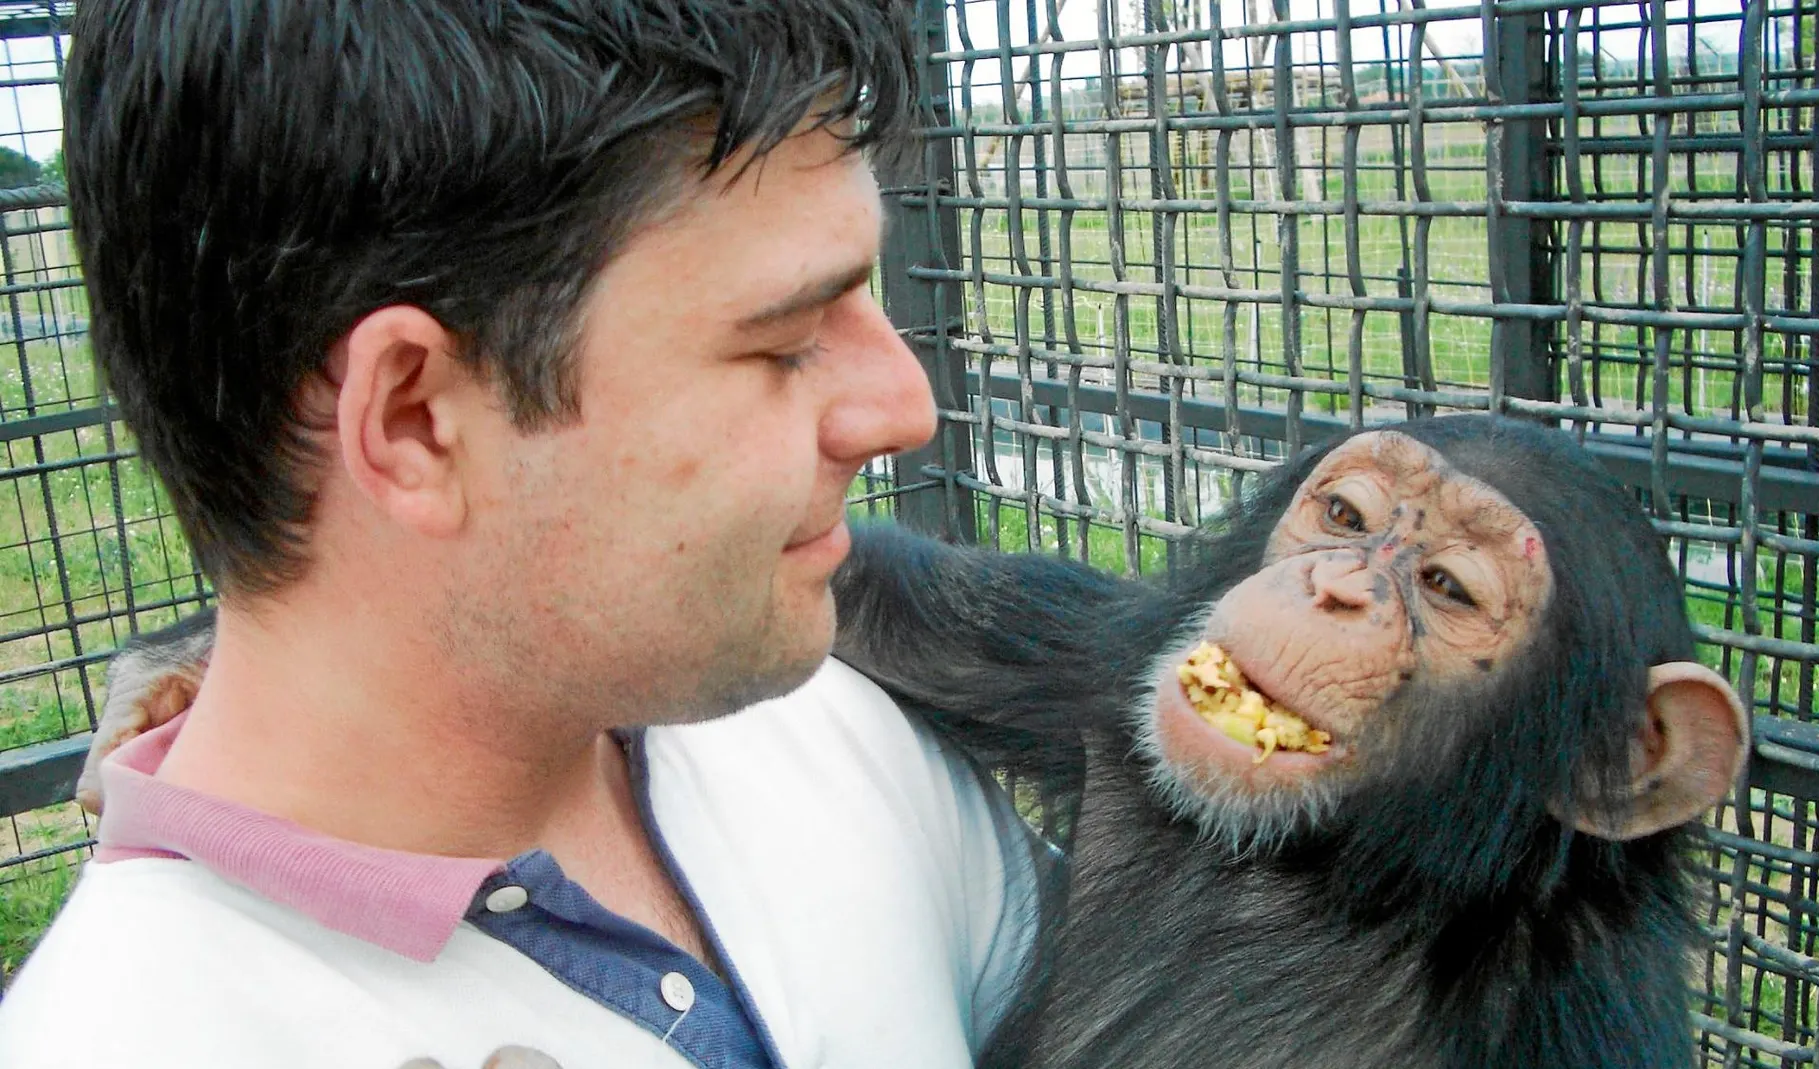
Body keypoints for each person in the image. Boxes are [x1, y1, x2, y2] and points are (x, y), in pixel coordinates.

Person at [0, 3, 1040, 1067]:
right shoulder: (127, 1032)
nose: (906, 408)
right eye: (780, 342)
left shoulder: (839, 739)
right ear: (414, 421)